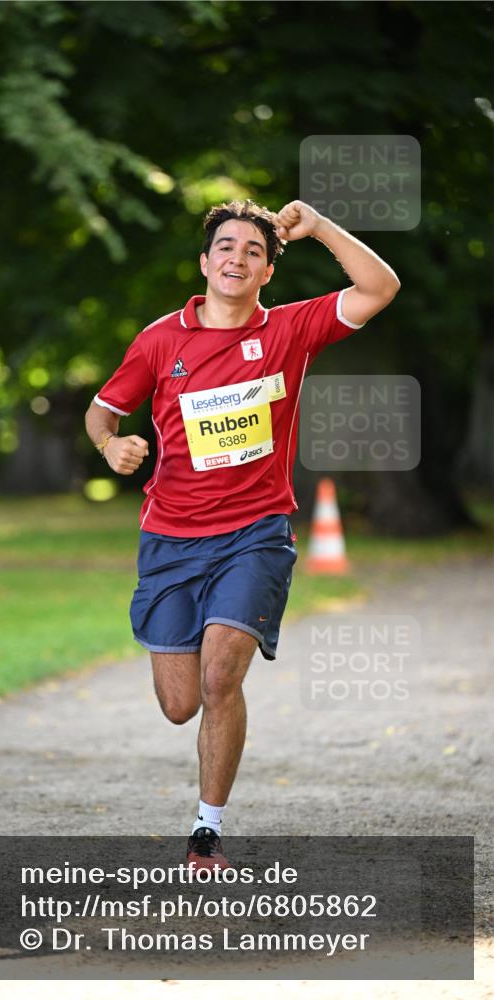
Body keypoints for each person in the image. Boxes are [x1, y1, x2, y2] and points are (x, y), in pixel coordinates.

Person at [85, 198, 400, 871]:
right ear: (205, 263)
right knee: (179, 704)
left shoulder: (290, 330)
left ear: (265, 273)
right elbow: (101, 411)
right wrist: (109, 446)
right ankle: (183, 645)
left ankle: (205, 831)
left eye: (253, 252)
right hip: (169, 538)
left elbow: (378, 288)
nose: (237, 257)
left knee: (221, 674)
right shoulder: (159, 341)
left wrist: (316, 227)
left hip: (253, 535)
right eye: (225, 247)